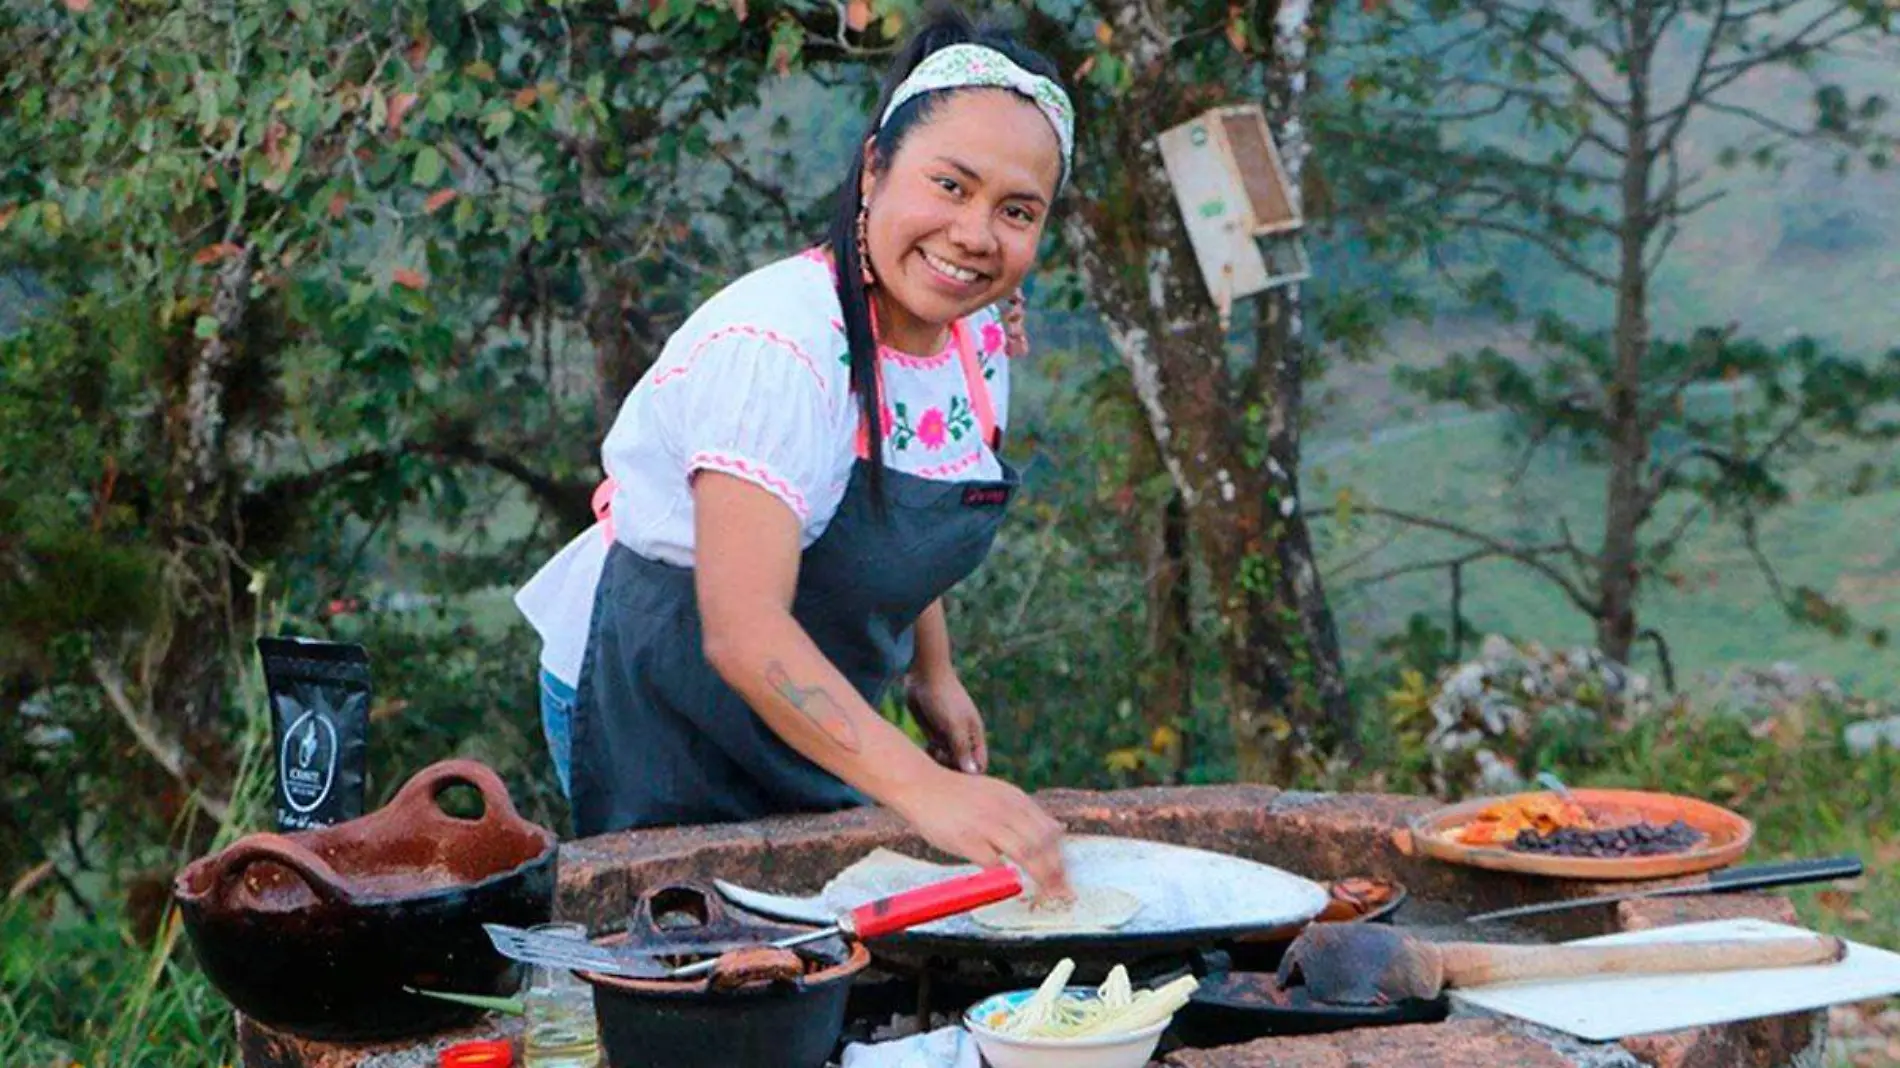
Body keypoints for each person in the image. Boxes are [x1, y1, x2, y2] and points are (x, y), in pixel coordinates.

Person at [514, 8, 1074, 898]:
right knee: (695, 944)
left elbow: (901, 506)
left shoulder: (974, 343)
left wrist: (934, 669)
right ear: (874, 171)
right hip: (664, 684)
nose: (976, 234)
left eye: (1017, 211)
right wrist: (923, 790)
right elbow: (742, 628)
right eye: (950, 185)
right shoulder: (777, 350)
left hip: (805, 687)